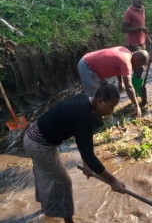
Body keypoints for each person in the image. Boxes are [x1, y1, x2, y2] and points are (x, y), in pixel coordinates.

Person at [23, 83, 125, 223]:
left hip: (31, 136)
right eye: (110, 107)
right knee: (64, 182)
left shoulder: (83, 99)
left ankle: (46, 209)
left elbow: (82, 142)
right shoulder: (85, 115)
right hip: (39, 146)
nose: (111, 111)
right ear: (100, 101)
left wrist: (86, 165)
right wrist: (112, 180)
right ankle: (69, 221)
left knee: (44, 175)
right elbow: (89, 155)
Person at [78, 46, 149, 117]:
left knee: (102, 92)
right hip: (88, 66)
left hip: (90, 61)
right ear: (137, 60)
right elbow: (129, 87)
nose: (136, 67)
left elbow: (118, 66)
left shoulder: (125, 51)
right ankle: (92, 119)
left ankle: (96, 114)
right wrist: (136, 105)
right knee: (95, 98)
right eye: (139, 65)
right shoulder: (126, 63)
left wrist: (120, 82)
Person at [122, 0, 148, 79]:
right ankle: (135, 88)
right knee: (139, 67)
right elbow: (124, 29)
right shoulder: (129, 12)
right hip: (134, 44)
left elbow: (141, 23)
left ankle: (136, 86)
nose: (137, 0)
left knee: (141, 65)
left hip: (142, 42)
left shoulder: (142, 8)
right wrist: (140, 28)